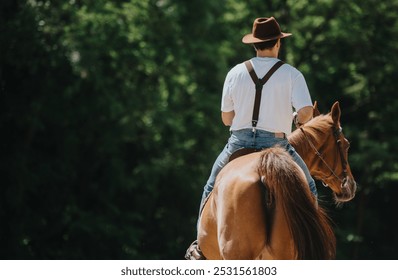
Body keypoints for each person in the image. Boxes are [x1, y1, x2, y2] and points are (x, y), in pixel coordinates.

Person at [186, 16, 317, 260]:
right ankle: (313, 245)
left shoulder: (235, 72)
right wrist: (298, 118)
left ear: (255, 45)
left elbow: (227, 119)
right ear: (278, 43)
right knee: (309, 186)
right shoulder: (292, 74)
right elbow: (307, 112)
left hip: (239, 142)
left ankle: (200, 247)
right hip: (277, 143)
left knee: (211, 187)